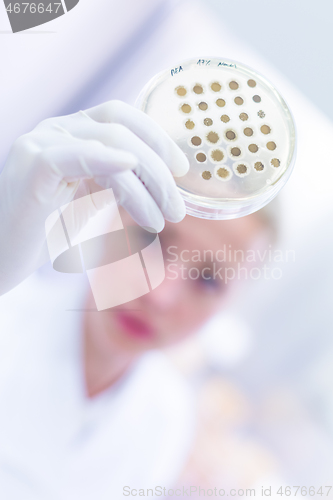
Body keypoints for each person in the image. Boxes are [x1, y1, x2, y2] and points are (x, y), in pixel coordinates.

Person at [0, 100, 271, 499]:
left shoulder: (168, 420)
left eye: (209, 281)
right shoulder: (8, 310)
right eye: (151, 236)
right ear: (113, 212)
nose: (160, 296)